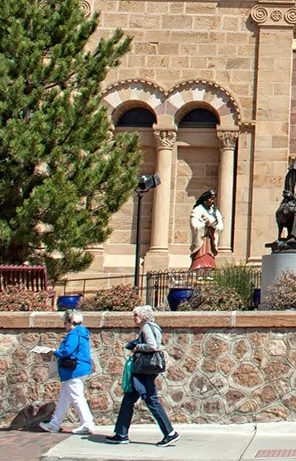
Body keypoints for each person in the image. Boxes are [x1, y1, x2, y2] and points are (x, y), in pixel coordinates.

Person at [106, 305, 179, 447]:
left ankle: (170, 433)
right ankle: (121, 433)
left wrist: (136, 347)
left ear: (144, 316)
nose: (134, 318)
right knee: (129, 399)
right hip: (145, 371)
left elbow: (152, 346)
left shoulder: (146, 327)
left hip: (143, 370)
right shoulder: (154, 327)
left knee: (151, 399)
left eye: (136, 315)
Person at [40, 309, 94, 434]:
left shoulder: (74, 334)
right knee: (64, 397)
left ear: (71, 321)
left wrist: (54, 352)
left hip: (74, 370)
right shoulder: (82, 332)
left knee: (77, 397)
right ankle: (55, 424)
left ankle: (87, 423)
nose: (64, 326)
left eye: (65, 323)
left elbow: (67, 351)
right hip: (79, 369)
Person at [189, 190, 223, 270]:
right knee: (201, 254)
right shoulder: (198, 210)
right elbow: (194, 224)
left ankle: (208, 269)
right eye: (210, 199)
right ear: (205, 199)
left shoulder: (215, 211)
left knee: (209, 254)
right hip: (202, 237)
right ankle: (199, 269)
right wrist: (205, 225)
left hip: (210, 237)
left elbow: (220, 224)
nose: (212, 201)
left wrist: (214, 226)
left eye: (213, 199)